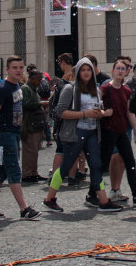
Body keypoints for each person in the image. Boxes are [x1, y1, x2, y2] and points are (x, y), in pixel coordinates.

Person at [43, 58, 122, 214]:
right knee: (66, 166)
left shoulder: (96, 91)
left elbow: (96, 110)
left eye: (88, 70)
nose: (86, 73)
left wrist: (103, 114)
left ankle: (103, 200)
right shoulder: (69, 89)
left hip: (91, 131)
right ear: (78, 72)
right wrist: (84, 114)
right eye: (83, 70)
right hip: (76, 132)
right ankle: (49, 198)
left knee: (95, 165)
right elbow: (60, 112)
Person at [0, 56, 41, 220]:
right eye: (15, 67)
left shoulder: (17, 87)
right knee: (14, 169)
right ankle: (24, 208)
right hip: (4, 134)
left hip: (14, 133)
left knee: (0, 170)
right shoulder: (2, 89)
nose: (19, 70)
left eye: (21, 67)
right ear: (8, 69)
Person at [100, 59, 136, 206]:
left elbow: (129, 112)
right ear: (112, 71)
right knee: (103, 163)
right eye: (117, 68)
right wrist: (104, 112)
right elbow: (96, 107)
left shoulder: (126, 91)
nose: (120, 71)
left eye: (122, 69)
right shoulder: (105, 89)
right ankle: (94, 193)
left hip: (122, 131)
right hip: (109, 131)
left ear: (126, 72)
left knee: (130, 162)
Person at [20, 68, 48, 184]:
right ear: (32, 79)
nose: (40, 82)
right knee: (29, 150)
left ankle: (33, 172)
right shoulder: (26, 89)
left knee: (34, 150)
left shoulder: (33, 89)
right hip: (29, 123)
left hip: (35, 123)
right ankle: (27, 173)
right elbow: (25, 104)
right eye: (38, 80)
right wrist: (40, 103)